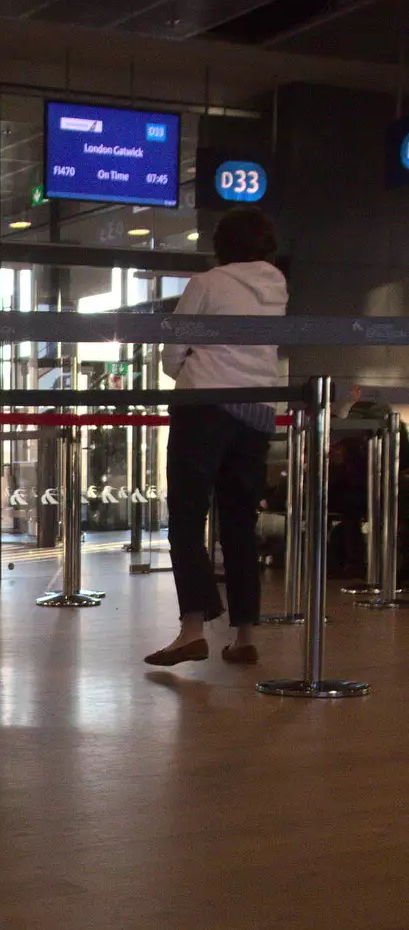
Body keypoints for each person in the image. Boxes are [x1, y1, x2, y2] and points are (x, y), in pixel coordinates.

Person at [146, 206, 288, 668]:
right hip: (256, 411)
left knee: (187, 518)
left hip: (203, 407)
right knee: (239, 523)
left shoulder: (206, 283)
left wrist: (184, 370)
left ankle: (192, 630)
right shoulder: (278, 285)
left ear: (221, 243)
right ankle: (244, 635)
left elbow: (172, 351)